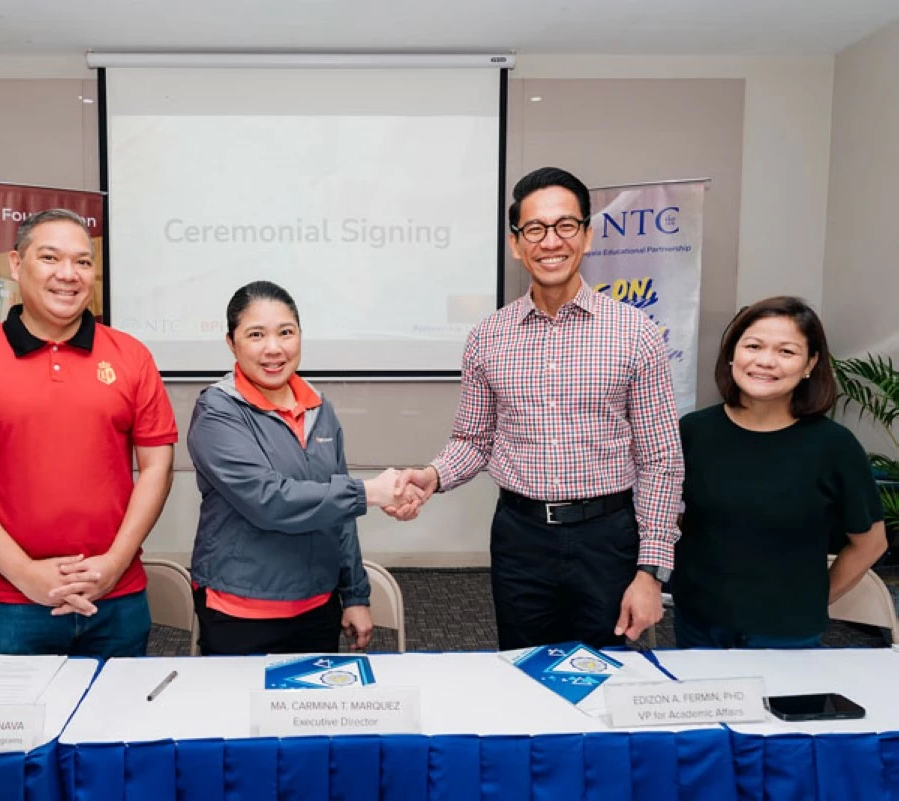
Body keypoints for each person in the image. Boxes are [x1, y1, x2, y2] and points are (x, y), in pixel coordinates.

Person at [392, 167, 684, 649]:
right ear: (516, 243)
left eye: (565, 226)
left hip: (607, 537)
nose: (551, 241)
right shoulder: (488, 337)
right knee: (521, 668)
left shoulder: (636, 333)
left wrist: (651, 571)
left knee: (604, 671)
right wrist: (433, 475)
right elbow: (473, 440)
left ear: (587, 235)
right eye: (535, 229)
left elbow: (661, 459)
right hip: (521, 538)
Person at [0, 209, 177, 657]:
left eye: (83, 262)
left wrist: (114, 564)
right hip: (11, 602)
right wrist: (26, 574)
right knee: (17, 707)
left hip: (116, 595)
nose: (68, 274)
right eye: (50, 258)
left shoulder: (132, 356)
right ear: (16, 264)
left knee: (120, 704)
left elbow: (158, 467)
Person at [187, 281, 415, 655]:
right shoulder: (218, 411)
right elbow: (270, 500)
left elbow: (340, 513)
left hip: (318, 604)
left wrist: (354, 594)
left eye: (285, 332)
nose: (273, 348)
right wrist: (370, 492)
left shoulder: (319, 407)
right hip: (240, 609)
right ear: (231, 343)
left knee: (315, 694)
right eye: (256, 335)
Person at [672, 297, 887, 648]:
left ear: (810, 364)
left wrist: (813, 601)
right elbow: (674, 520)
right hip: (698, 624)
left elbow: (871, 543)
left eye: (786, 351)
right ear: (732, 354)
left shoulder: (834, 445)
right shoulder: (693, 431)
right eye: (753, 346)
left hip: (789, 635)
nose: (765, 361)